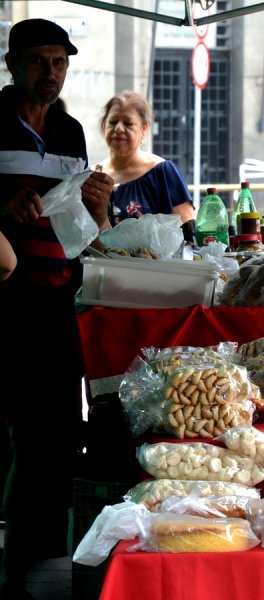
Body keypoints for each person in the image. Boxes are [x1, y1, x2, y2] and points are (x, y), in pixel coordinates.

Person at [0, 18, 115, 598]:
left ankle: (39, 557)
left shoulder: (70, 132)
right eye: (41, 60)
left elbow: (82, 229)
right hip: (5, 303)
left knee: (59, 434)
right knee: (17, 436)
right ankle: (13, 570)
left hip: (58, 299)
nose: (52, 71)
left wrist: (99, 209)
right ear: (13, 63)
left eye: (61, 61)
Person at [98, 91, 194, 225]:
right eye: (113, 122)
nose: (119, 128)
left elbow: (188, 230)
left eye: (128, 123)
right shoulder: (94, 177)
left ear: (143, 129)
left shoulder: (163, 173)